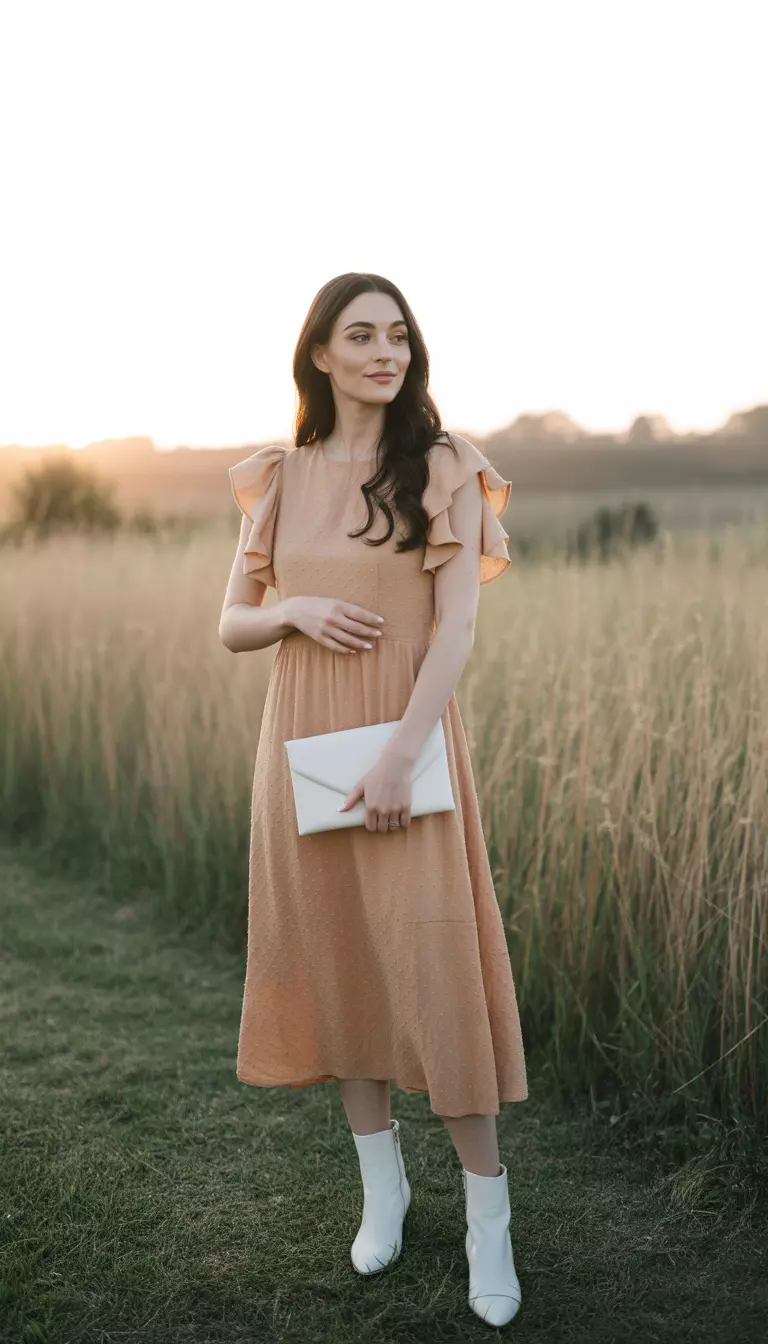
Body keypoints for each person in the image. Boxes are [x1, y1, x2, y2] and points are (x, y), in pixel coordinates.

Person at [219, 272, 527, 1328]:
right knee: (340, 957)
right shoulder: (283, 476)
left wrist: (402, 754)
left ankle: (491, 1221)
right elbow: (232, 622)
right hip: (300, 742)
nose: (385, 350)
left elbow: (456, 632)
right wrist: (293, 605)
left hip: (407, 747)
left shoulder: (441, 466)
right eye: (361, 334)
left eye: (398, 334)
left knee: (434, 968)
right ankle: (382, 1193)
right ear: (320, 354)